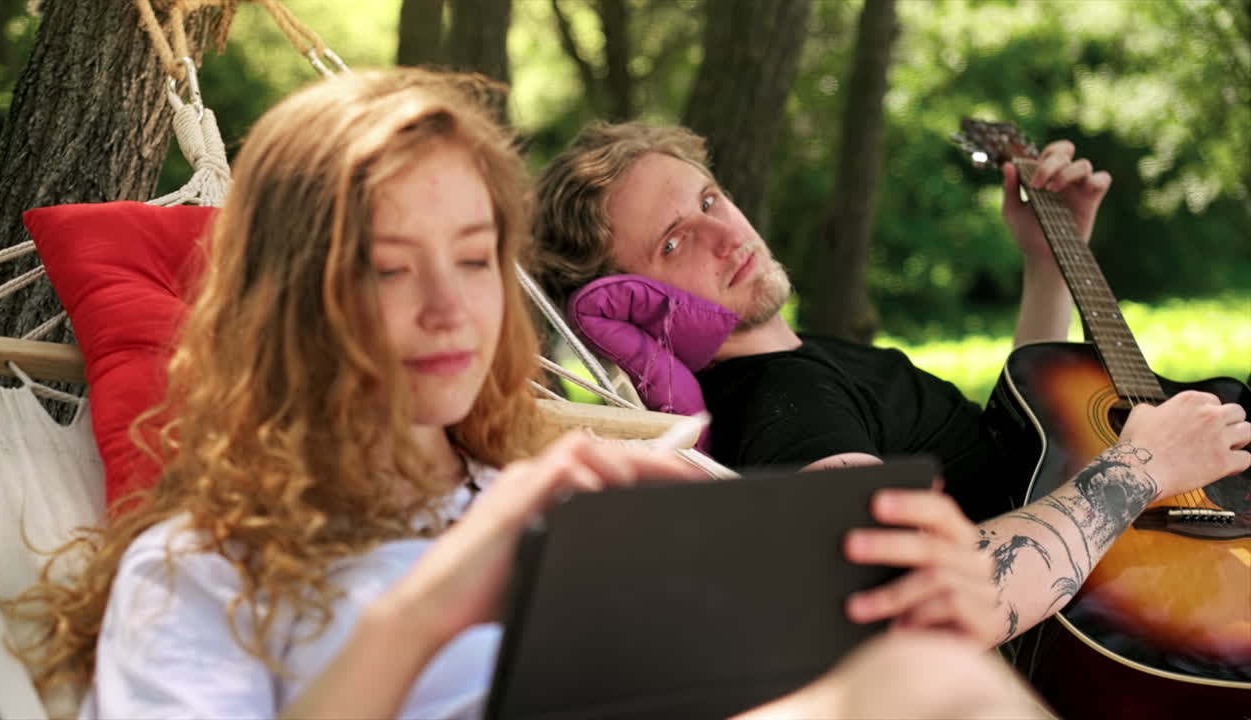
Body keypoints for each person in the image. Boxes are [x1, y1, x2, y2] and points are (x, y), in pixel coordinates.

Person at [4, 66, 1058, 720]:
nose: (447, 309)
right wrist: (427, 608)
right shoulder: (199, 573)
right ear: (290, 302)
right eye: (385, 265)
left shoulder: (588, 490)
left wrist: (922, 607)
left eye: (472, 259)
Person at [528, 120, 1251, 648]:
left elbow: (1027, 448)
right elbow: (905, 596)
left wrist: (1045, 260)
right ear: (623, 303)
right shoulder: (781, 405)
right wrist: (1139, 467)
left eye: (710, 200)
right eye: (674, 241)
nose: (727, 237)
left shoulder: (804, 360)